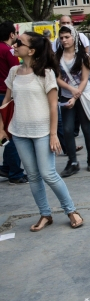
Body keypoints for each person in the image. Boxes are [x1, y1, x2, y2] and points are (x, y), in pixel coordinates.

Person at [0, 31, 84, 231]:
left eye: (19, 42)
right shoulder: (13, 71)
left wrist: (54, 134)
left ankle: (71, 210)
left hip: (43, 132)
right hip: (19, 132)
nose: (14, 44)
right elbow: (6, 101)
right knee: (33, 175)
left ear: (31, 50)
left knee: (48, 173)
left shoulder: (46, 73)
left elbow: (53, 106)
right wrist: (2, 128)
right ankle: (45, 214)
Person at [55, 26, 90, 177]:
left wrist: (75, 95)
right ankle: (72, 161)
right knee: (67, 129)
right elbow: (57, 78)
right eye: (62, 38)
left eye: (67, 37)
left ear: (74, 38)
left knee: (86, 128)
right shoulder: (57, 57)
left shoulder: (83, 56)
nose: (64, 40)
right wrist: (71, 92)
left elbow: (85, 79)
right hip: (67, 96)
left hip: (82, 96)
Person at [0, 21, 26, 184]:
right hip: (6, 95)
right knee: (13, 134)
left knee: (4, 132)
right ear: (11, 35)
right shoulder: (9, 51)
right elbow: (17, 73)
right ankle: (15, 172)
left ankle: (7, 167)